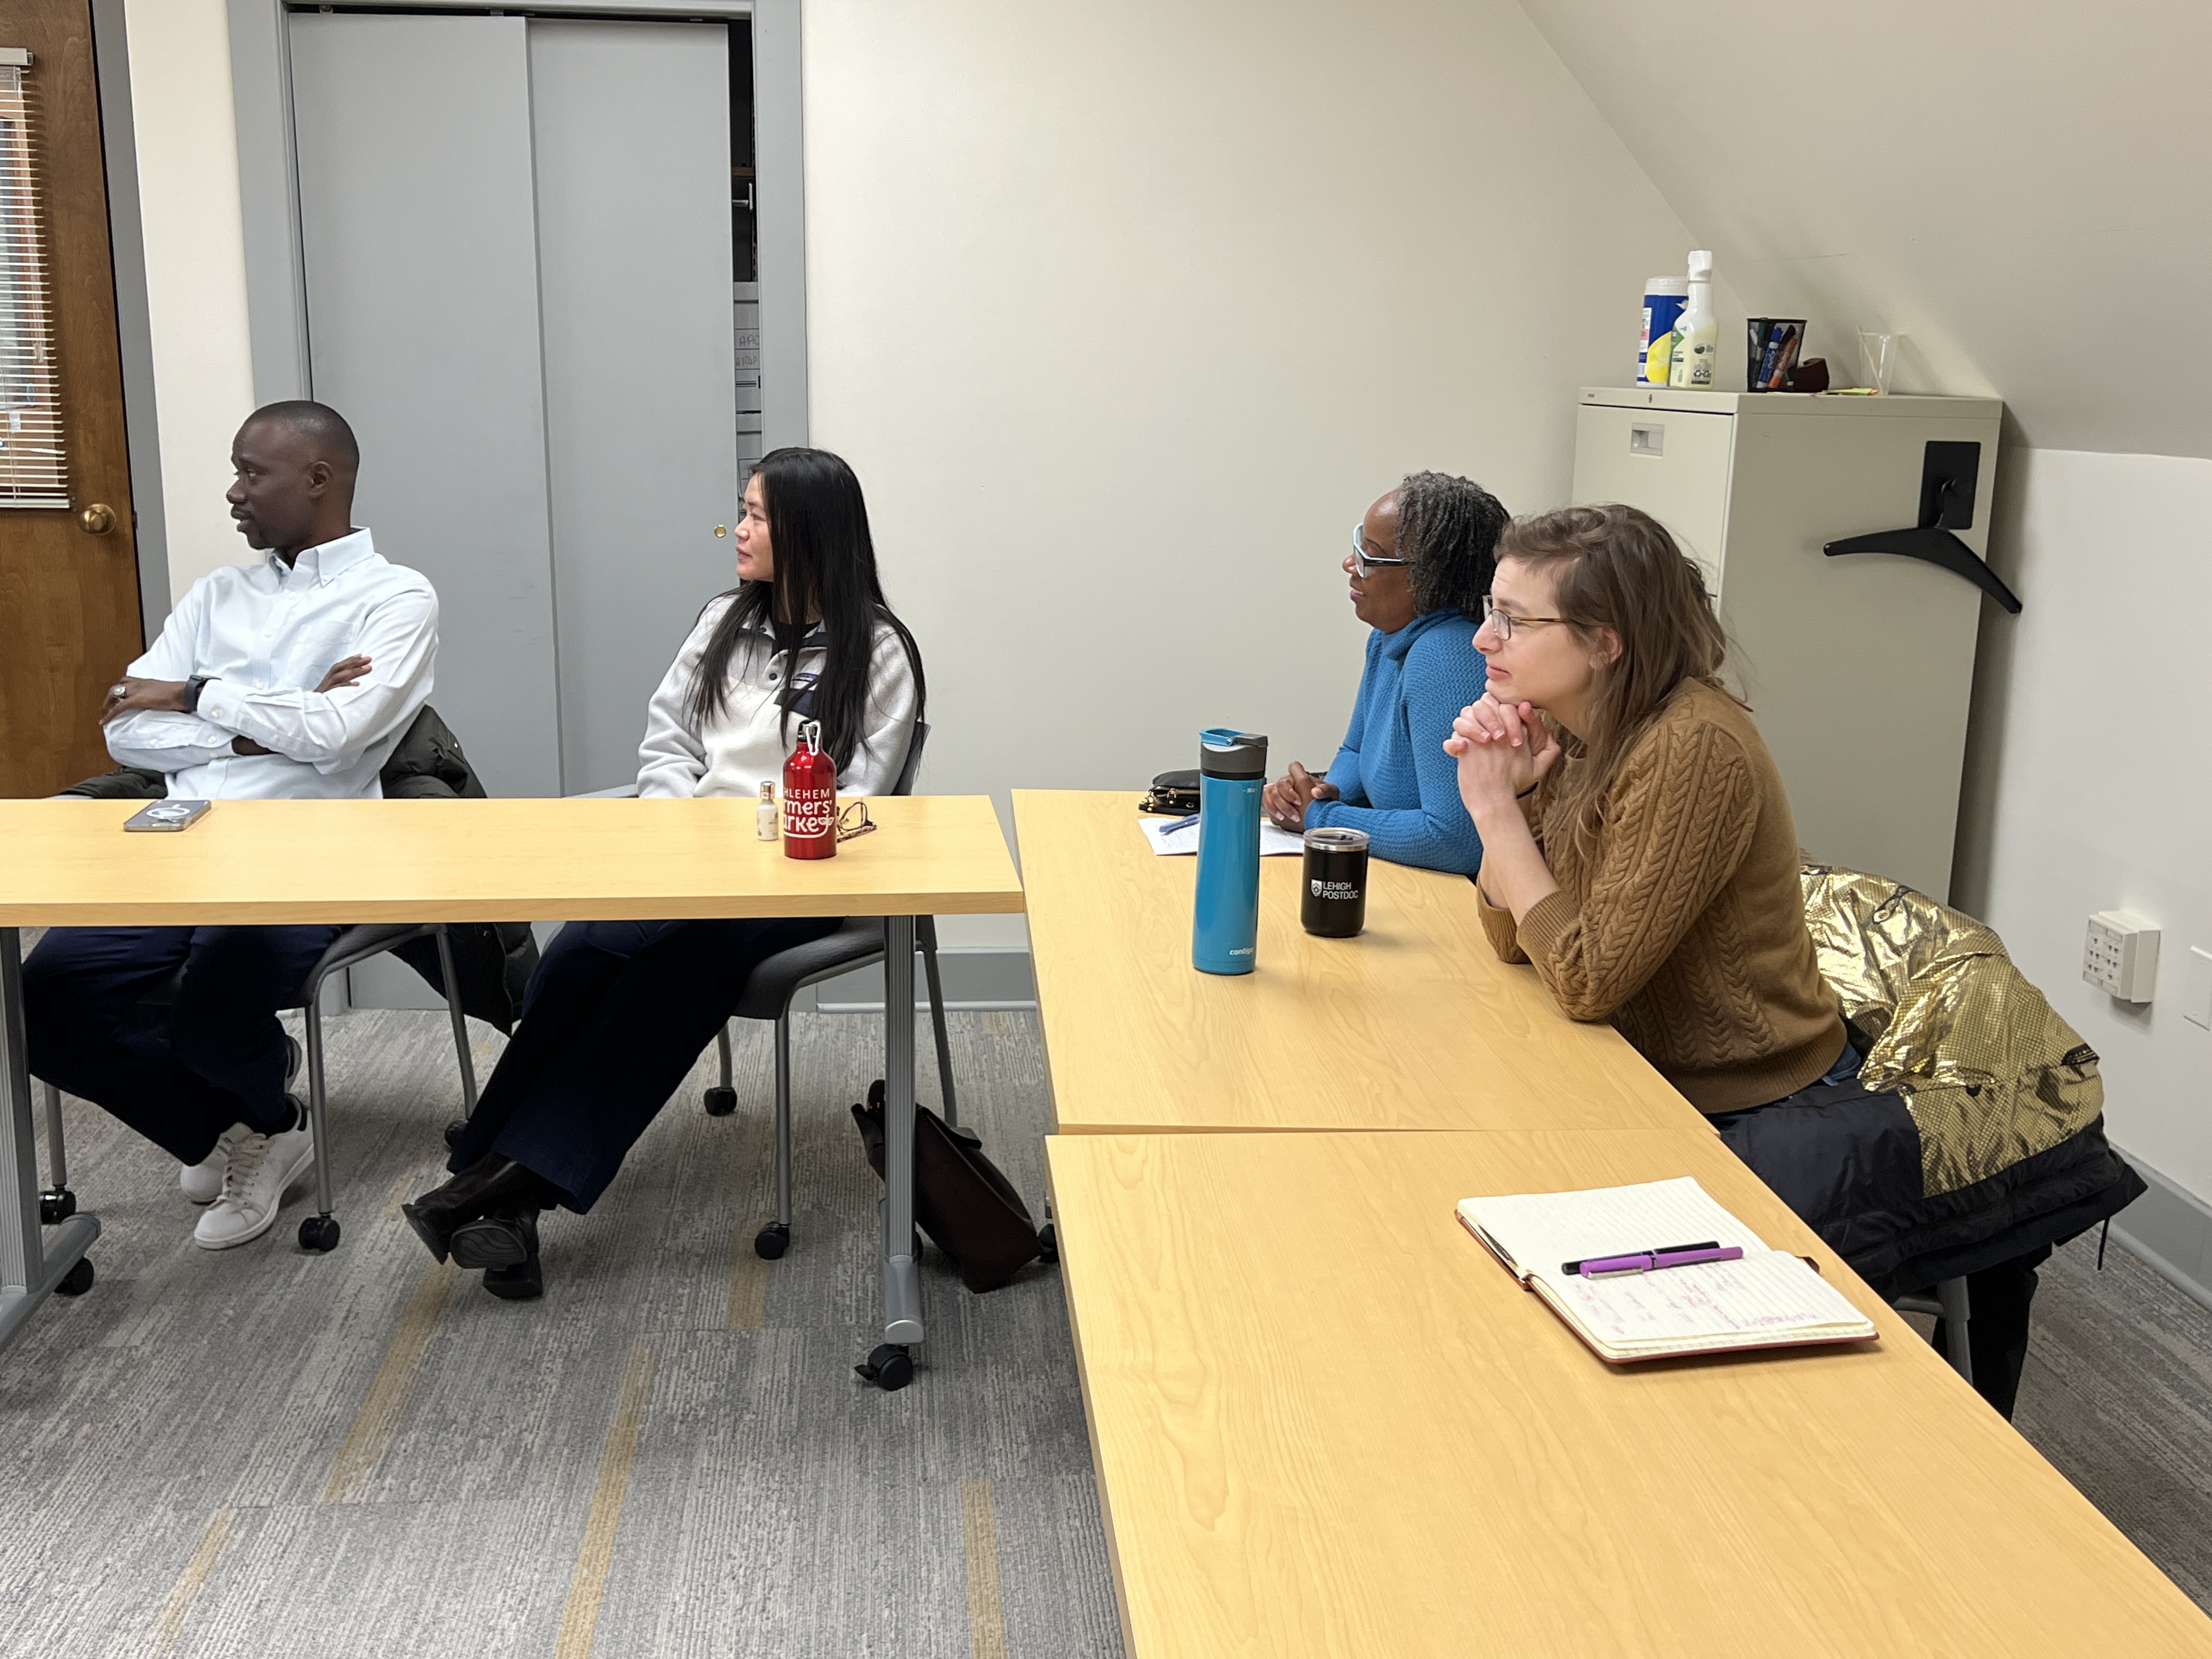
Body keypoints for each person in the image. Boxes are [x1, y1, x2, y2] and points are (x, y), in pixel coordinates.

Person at [400, 446, 923, 1300]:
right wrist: (677, 828)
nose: (739, 531)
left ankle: (486, 1182)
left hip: (801, 881)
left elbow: (858, 794)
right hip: (688, 863)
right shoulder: (724, 620)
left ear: (808, 533)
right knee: (581, 954)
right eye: (742, 511)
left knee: (676, 974)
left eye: (755, 516)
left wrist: (742, 842)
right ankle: (508, 1202)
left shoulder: (881, 652)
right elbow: (669, 742)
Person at [25, 401, 438, 1250]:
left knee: (214, 1001)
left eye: (253, 473)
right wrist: (273, 719)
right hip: (179, 834)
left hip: (308, 847)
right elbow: (123, 726)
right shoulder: (218, 594)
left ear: (318, 479)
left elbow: (338, 738)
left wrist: (192, 694)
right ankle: (256, 1123)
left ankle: (251, 1105)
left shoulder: (396, 599)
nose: (233, 493)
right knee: (40, 1003)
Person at [1447, 502, 1847, 1113]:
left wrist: (1495, 810)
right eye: (1490, 610)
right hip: (1631, 1070)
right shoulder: (1574, 725)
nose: (1482, 637)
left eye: (1514, 621)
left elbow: (1585, 983)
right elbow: (1515, 941)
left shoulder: (1691, 747)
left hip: (1755, 1102)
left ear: (1603, 643)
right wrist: (1523, 796)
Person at [1261, 472, 1504, 874]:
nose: (1350, 564)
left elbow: (1455, 839)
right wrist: (1319, 796)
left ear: (1426, 578)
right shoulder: (1388, 638)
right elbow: (1357, 751)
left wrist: (1322, 820)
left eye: (1369, 556)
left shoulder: (1444, 654)